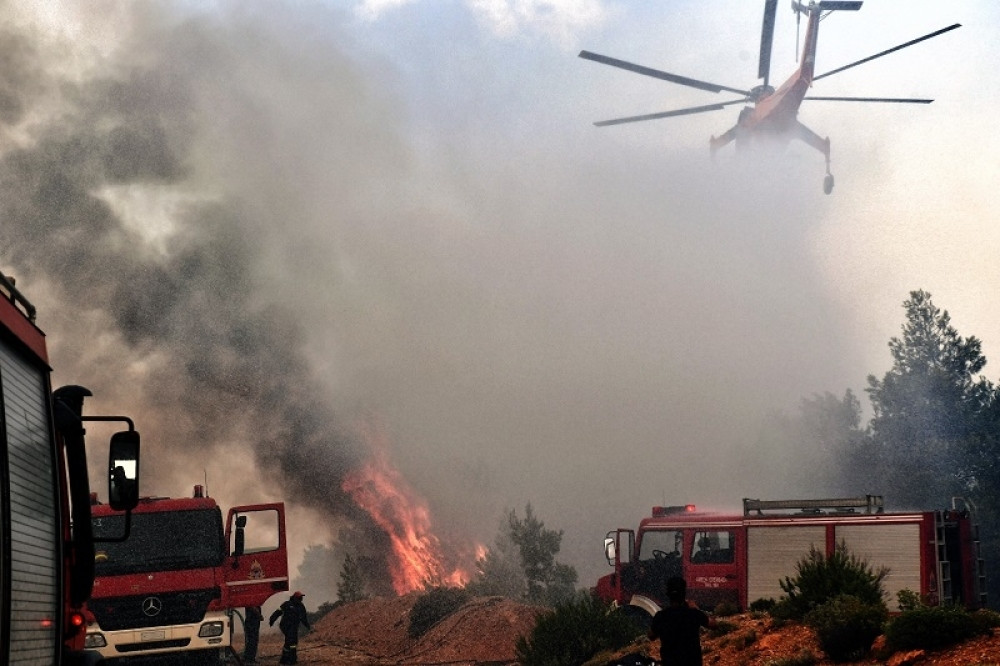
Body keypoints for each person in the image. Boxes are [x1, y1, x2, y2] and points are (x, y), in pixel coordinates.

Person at [647, 577, 714, 666]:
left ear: (668, 595)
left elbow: (651, 636)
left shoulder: (661, 616)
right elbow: (713, 624)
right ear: (684, 594)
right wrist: (697, 609)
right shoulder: (693, 613)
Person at [269, 591, 311, 665]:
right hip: (285, 626)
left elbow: (303, 617)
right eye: (299, 597)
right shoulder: (287, 604)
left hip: (294, 626)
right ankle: (291, 659)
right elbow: (278, 612)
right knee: (291, 641)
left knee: (291, 642)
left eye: (301, 598)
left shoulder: (301, 606)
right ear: (295, 598)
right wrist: (272, 619)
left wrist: (308, 626)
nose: (301, 599)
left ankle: (286, 659)